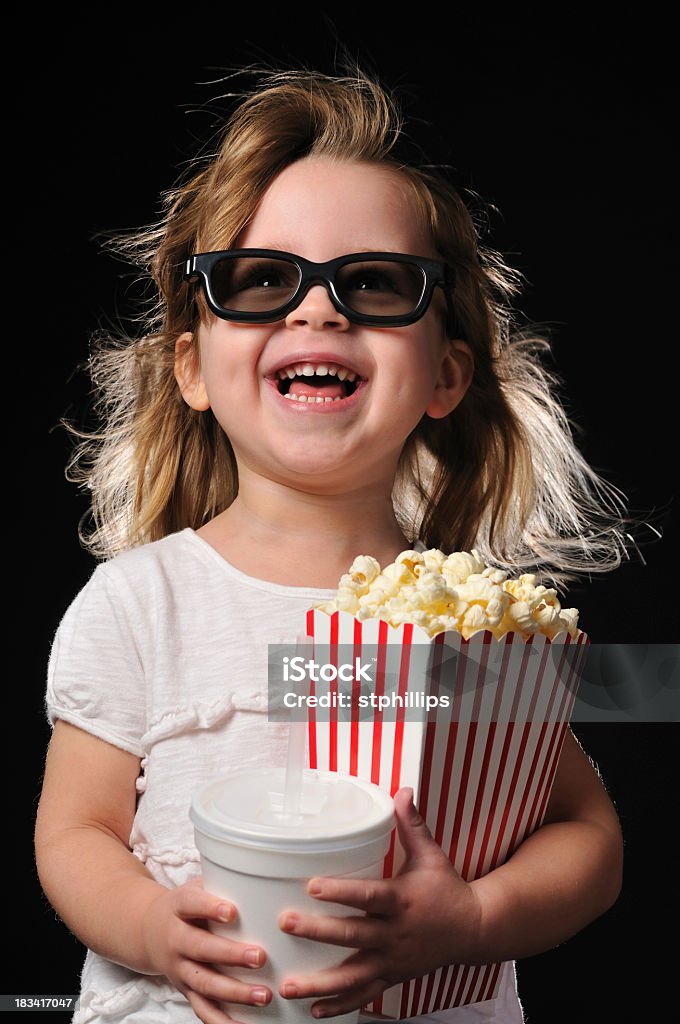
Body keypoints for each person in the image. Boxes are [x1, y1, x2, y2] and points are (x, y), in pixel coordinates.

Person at [35, 66, 626, 1024]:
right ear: (192, 366)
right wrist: (152, 928)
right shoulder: (141, 604)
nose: (318, 310)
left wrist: (474, 919)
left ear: (444, 374)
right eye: (262, 280)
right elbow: (73, 830)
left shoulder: (472, 623)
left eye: (375, 283)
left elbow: (587, 834)